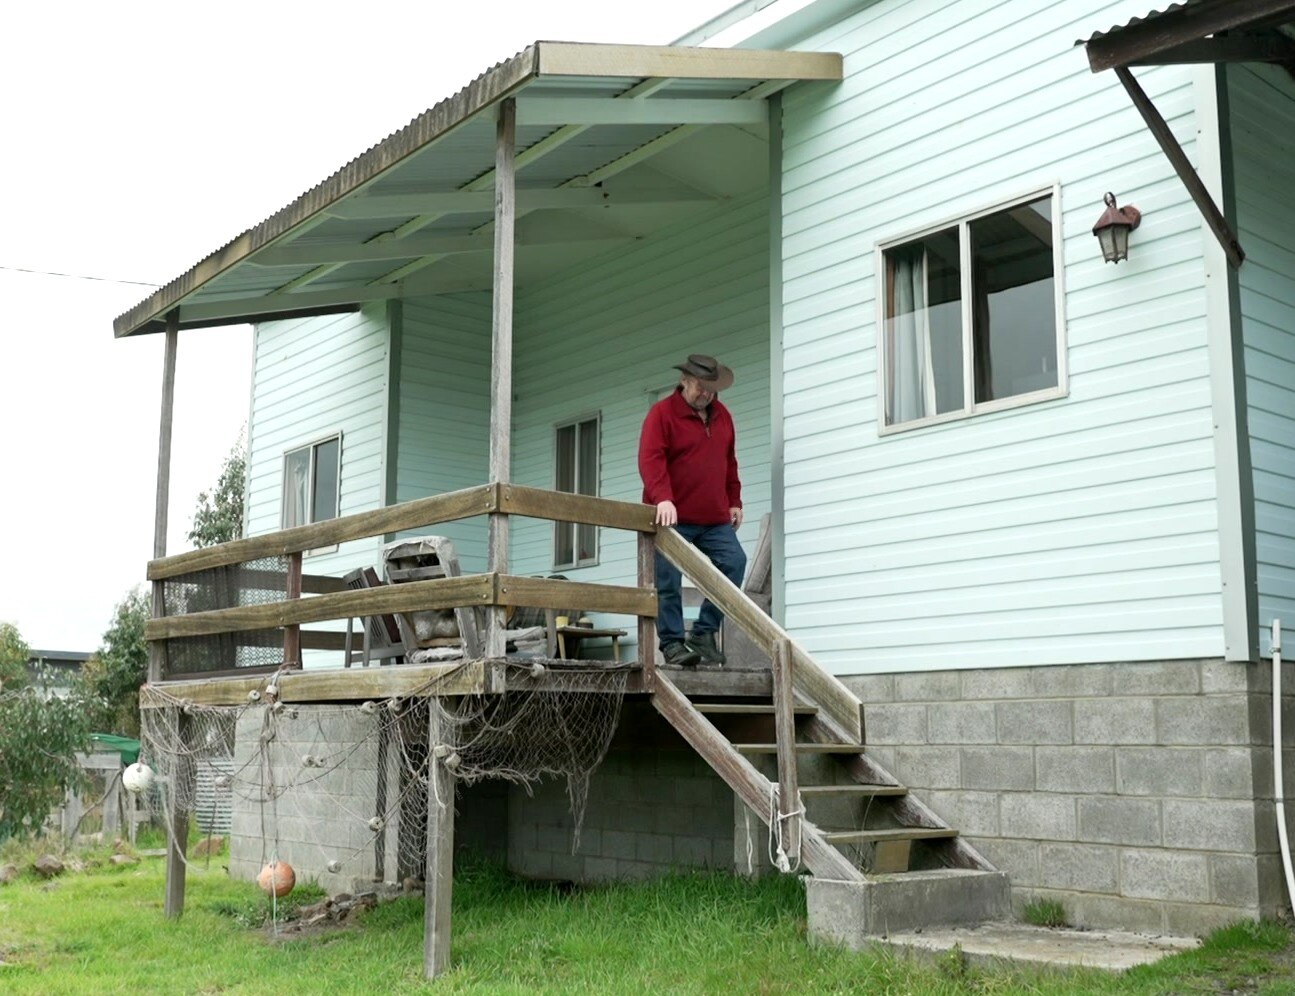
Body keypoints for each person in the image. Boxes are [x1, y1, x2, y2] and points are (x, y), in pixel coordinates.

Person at [638, 354, 746, 667]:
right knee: (667, 579)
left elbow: (730, 462)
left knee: (735, 563)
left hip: (714, 518)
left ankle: (704, 632)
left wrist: (734, 500)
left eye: (712, 390)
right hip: (672, 516)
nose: (706, 395)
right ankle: (672, 644)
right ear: (685, 381)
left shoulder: (723, 416)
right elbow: (650, 459)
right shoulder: (662, 415)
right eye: (701, 387)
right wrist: (662, 498)